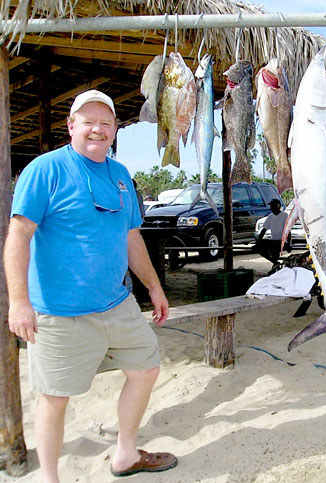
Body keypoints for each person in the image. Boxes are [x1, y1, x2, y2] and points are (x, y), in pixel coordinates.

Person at [4, 89, 177, 482]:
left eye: (105, 123)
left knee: (146, 369)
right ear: (71, 126)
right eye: (88, 121)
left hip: (117, 304)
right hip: (59, 313)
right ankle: (50, 478)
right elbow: (18, 236)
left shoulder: (120, 175)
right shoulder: (44, 170)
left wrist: (152, 286)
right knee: (53, 399)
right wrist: (19, 301)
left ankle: (125, 453)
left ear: (115, 129)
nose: (97, 130)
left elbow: (132, 236)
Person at [255, 198, 290, 271]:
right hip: (273, 240)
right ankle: (275, 262)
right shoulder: (270, 217)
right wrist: (259, 241)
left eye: (273, 206)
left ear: (278, 206)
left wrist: (288, 243)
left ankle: (275, 264)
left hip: (282, 241)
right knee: (257, 247)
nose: (271, 208)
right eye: (271, 206)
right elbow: (263, 230)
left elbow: (288, 230)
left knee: (274, 249)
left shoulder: (285, 215)